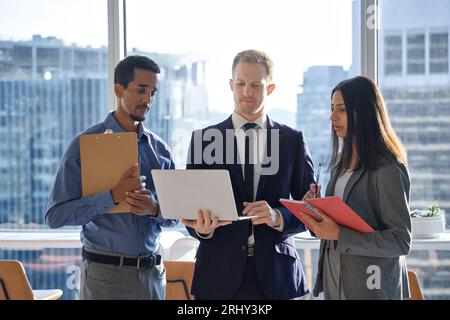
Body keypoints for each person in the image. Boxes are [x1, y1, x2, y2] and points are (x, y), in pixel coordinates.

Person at [182, 49, 315, 299]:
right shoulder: (203, 140)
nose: (247, 91)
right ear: (231, 85)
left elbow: (310, 208)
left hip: (277, 276)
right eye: (241, 83)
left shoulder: (291, 140)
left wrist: (277, 216)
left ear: (270, 89)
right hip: (218, 276)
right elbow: (193, 210)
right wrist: (203, 229)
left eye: (256, 85)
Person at [45, 55, 178, 300]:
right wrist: (112, 197)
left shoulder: (161, 150)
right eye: (141, 90)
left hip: (152, 277)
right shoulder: (84, 146)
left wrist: (154, 209)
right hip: (105, 277)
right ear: (119, 89)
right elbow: (55, 216)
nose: (148, 99)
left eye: (152, 92)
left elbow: (175, 216)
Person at [300, 76, 411, 300]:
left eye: (341, 109)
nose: (332, 117)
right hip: (336, 283)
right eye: (332, 108)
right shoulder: (341, 165)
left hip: (372, 287)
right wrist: (316, 210)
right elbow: (333, 229)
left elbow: (400, 241)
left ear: (364, 112)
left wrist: (339, 234)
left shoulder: (388, 168)